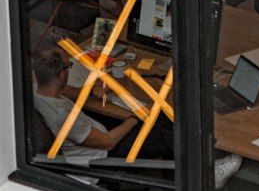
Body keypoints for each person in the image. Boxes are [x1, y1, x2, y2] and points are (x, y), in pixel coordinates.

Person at [31, 45, 174, 161]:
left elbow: (65, 92)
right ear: (62, 74)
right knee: (166, 125)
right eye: (69, 65)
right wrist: (137, 116)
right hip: (104, 155)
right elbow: (109, 142)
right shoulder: (62, 116)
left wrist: (92, 91)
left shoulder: (36, 90)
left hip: (93, 135)